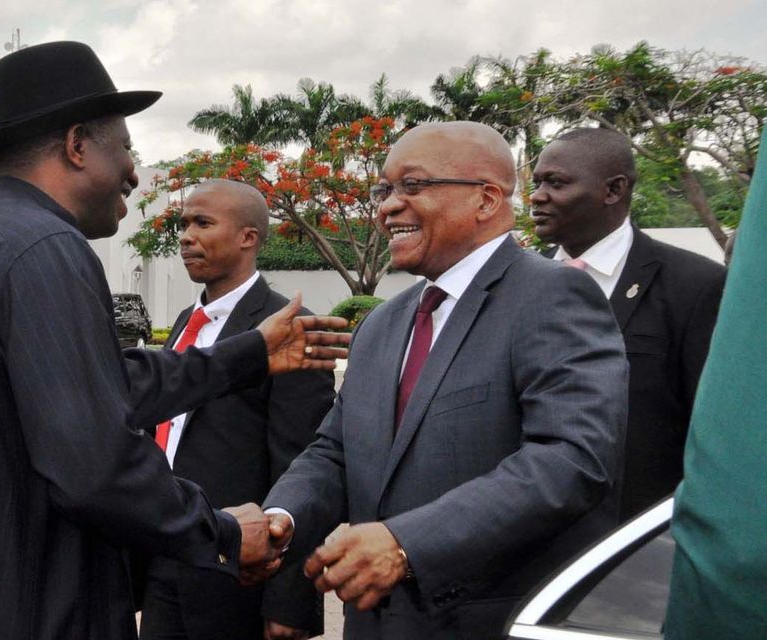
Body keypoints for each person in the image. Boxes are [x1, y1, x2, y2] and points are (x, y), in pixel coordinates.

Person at [0, 41, 348, 640]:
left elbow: (95, 385)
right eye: (127, 149)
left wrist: (247, 354)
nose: (135, 174)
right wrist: (217, 533)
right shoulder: (44, 249)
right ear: (78, 144)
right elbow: (93, 460)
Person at [264, 122, 628, 639]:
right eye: (384, 189)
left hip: (486, 622)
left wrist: (405, 544)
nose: (388, 206)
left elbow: (571, 459)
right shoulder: (382, 324)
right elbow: (335, 452)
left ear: (485, 199)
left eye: (412, 186)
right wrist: (281, 519)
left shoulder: (554, 295)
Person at [139, 180, 334, 640]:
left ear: (248, 237)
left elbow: (303, 467)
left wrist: (290, 599)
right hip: (166, 560)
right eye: (184, 224)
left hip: (238, 581)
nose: (186, 236)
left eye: (203, 223)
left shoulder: (289, 330)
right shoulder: (187, 322)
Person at [531, 127, 726, 521]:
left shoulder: (695, 285)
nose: (537, 195)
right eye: (537, 182)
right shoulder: (515, 281)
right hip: (525, 536)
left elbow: (712, 437)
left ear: (613, 190)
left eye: (556, 182)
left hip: (634, 544)